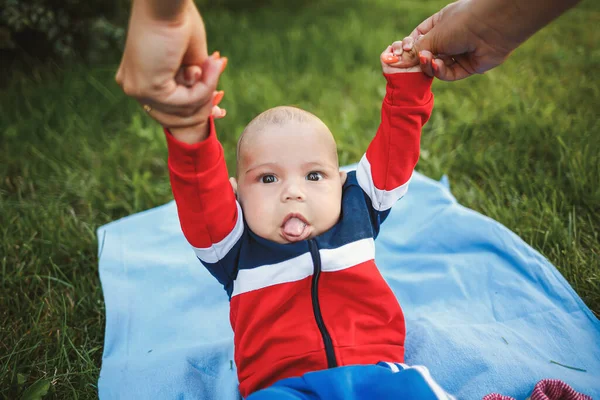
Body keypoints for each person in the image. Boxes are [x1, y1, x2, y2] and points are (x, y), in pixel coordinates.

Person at [150, 38, 457, 398]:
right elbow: (199, 194)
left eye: (314, 176)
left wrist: (406, 85)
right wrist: (191, 132)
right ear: (235, 194)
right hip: (283, 387)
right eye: (268, 178)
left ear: (341, 181)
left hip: (378, 375)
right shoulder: (234, 248)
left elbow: (396, 151)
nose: (292, 192)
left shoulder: (356, 211)